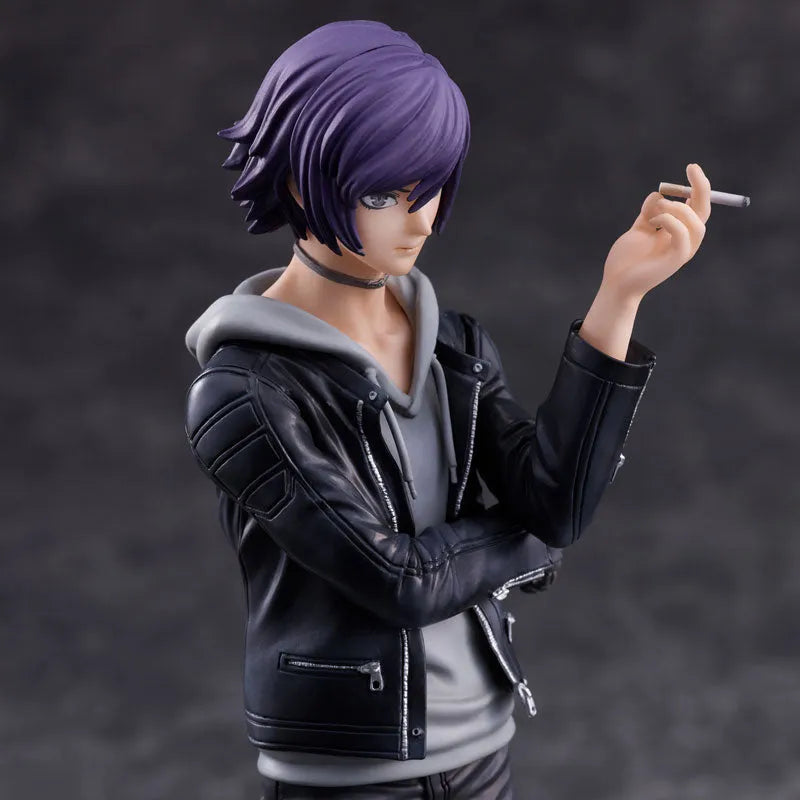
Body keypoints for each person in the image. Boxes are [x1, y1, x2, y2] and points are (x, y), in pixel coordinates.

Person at [183, 20, 710, 800]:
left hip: (482, 744)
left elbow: (554, 499)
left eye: (428, 188)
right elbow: (397, 581)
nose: (422, 219)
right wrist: (528, 539)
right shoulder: (245, 394)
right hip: (349, 768)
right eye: (384, 194)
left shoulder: (452, 347)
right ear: (299, 181)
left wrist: (618, 297)